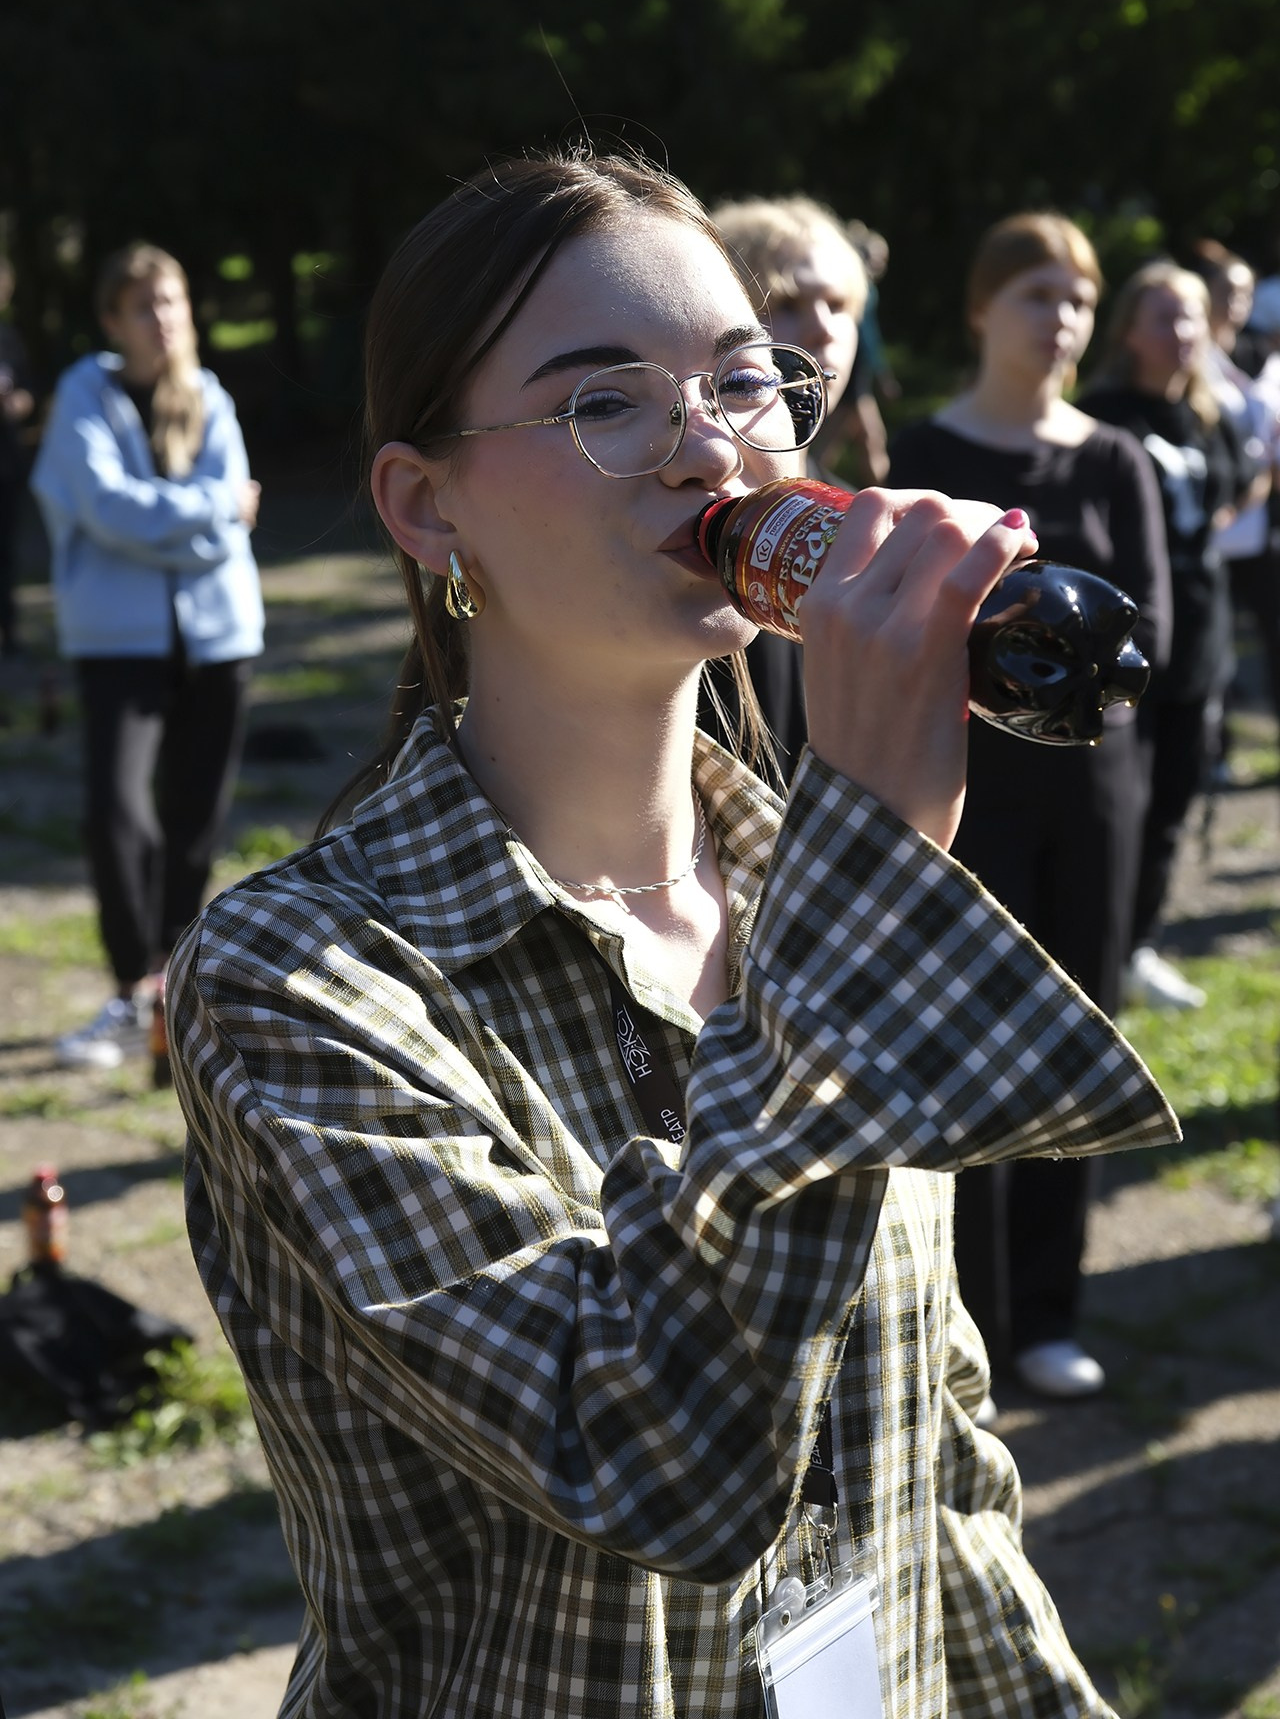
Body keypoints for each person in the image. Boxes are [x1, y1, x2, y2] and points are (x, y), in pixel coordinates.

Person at [168, 152, 1175, 1719]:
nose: (708, 443)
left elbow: (938, 1483)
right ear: (428, 510)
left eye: (744, 379)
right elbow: (661, 1466)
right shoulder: (295, 982)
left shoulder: (803, 898)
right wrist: (878, 862)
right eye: (606, 402)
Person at [887, 214, 1171, 1402]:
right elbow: (889, 631)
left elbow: (1150, 640)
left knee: (1073, 1039)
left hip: (1090, 800)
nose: (1056, 318)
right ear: (978, 310)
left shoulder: (1113, 460)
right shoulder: (918, 452)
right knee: (960, 1059)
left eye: (1075, 297)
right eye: (1032, 295)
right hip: (962, 797)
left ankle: (1048, 1311)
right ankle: (967, 1324)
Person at [31, 243, 264, 1072]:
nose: (162, 319)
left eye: (171, 301)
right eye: (142, 306)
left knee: (194, 821)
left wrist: (163, 523)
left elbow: (141, 519)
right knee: (116, 814)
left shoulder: (212, 398)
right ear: (111, 320)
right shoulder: (80, 398)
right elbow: (104, 507)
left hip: (219, 640)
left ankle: (175, 987)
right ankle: (133, 987)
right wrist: (209, 514)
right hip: (117, 643)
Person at [1078, 261, 1255, 1012]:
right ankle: (1098, 950)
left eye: (1190, 316)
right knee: (1122, 806)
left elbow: (1235, 491)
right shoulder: (1104, 416)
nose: (1182, 332)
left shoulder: (1209, 413)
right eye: (1163, 317)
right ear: (1128, 332)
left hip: (1202, 642)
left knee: (1175, 803)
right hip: (1127, 645)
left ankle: (1139, 945)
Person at [704, 193, 870, 781]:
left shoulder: (855, 504)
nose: (824, 329)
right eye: (790, 302)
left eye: (840, 305)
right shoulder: (688, 501)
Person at [0, 256, 37, 663]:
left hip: (6, 459)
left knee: (7, 549)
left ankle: (9, 631)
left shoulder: (9, 339)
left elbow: (29, 391)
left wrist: (17, 404)